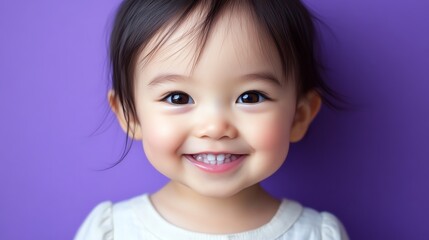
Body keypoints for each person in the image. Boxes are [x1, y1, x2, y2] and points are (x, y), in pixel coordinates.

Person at [75, 0, 349, 239]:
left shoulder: (317, 234)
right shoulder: (111, 232)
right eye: (178, 98)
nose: (216, 128)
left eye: (250, 97)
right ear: (130, 115)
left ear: (299, 117)